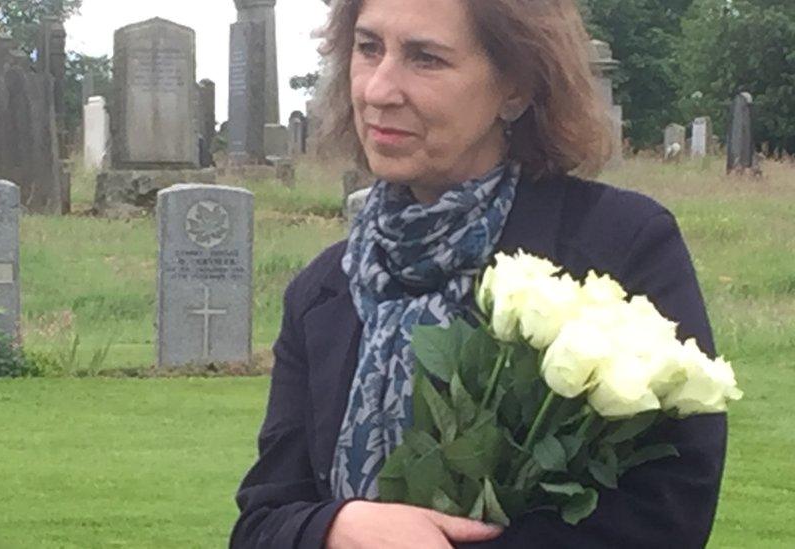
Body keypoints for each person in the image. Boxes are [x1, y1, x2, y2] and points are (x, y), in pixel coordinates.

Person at [230, 0, 727, 547]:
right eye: (368, 49)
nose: (378, 89)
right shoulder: (324, 288)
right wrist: (335, 528)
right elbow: (262, 520)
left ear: (514, 88)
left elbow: (668, 511)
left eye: (425, 59)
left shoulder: (619, 247)